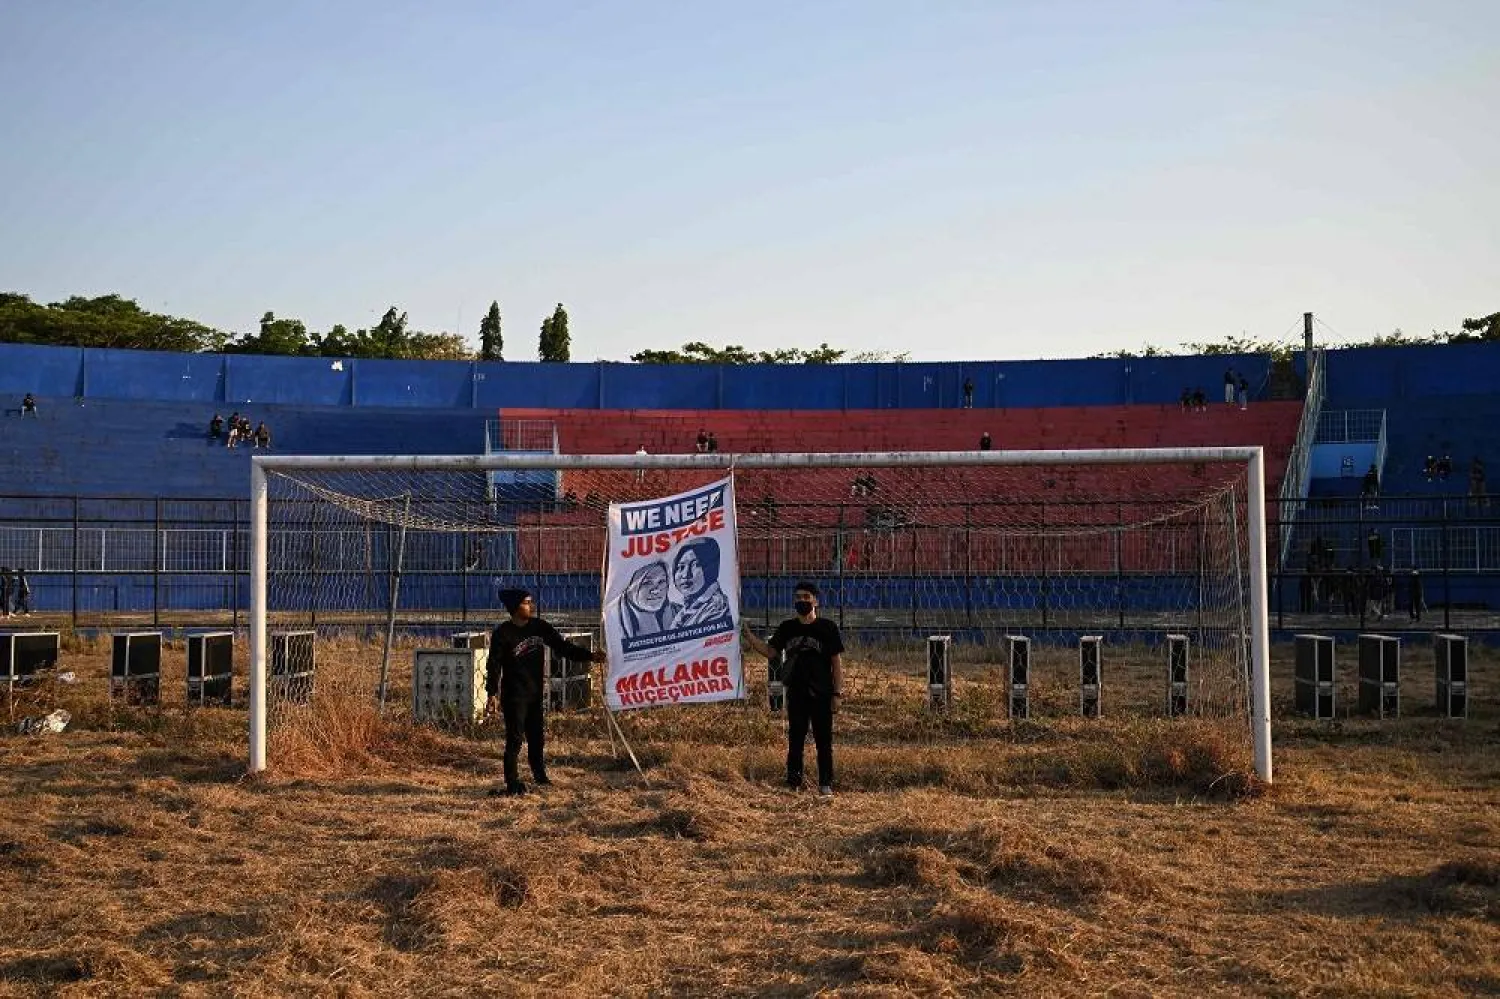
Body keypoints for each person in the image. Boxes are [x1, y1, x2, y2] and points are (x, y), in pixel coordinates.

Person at [486, 588, 606, 796]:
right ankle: (512, 782)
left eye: (531, 602)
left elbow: (563, 647)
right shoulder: (503, 633)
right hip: (514, 695)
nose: (531, 606)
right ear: (515, 607)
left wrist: (590, 656)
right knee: (515, 739)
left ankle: (539, 775)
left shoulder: (539, 627)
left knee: (537, 737)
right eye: (526, 602)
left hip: (535, 693)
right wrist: (491, 693)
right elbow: (494, 665)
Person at [742, 582, 845, 796]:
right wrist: (748, 636)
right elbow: (771, 652)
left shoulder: (827, 628)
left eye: (806, 597)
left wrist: (837, 693)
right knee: (795, 739)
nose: (802, 601)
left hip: (822, 693)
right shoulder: (788, 628)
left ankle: (825, 783)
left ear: (816, 600)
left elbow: (836, 662)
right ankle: (793, 782)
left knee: (823, 741)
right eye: (798, 597)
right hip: (797, 693)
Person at [671, 537, 732, 628]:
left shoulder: (717, 608)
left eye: (696, 565)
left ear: (711, 569)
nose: (685, 575)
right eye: (681, 567)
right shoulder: (687, 608)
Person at [618, 561, 681, 639]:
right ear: (631, 588)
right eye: (647, 583)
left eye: (661, 581)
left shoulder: (682, 613)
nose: (656, 591)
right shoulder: (614, 624)